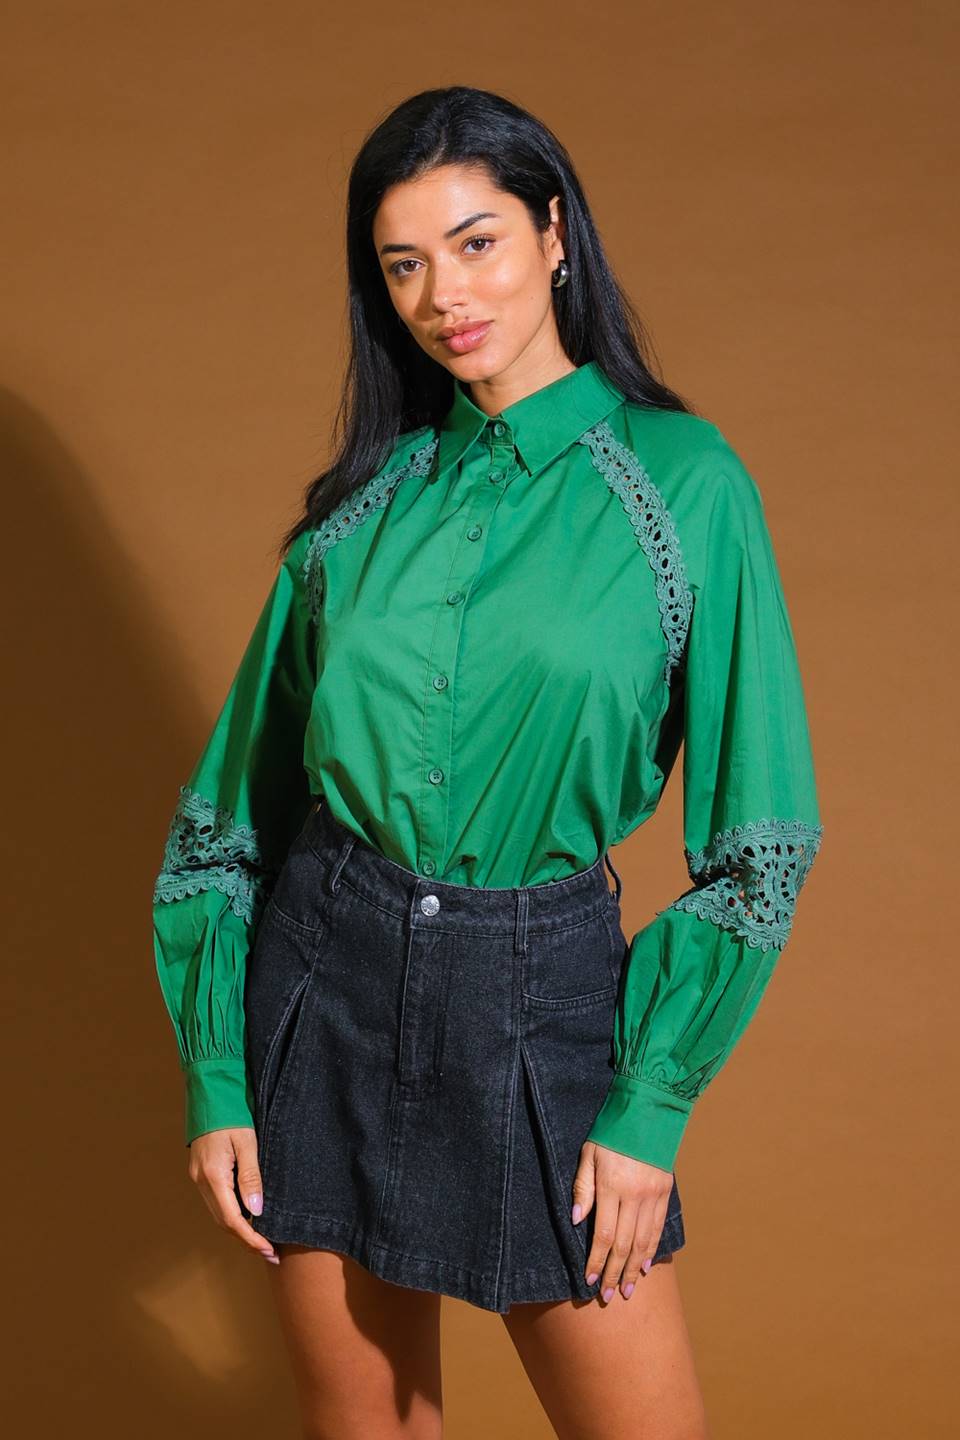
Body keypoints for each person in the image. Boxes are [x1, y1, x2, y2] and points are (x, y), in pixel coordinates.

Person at [152, 85, 823, 1439]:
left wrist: (652, 1102)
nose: (443, 295)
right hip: (325, 993)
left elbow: (760, 845)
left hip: (542, 1004)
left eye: (476, 243)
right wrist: (218, 1076)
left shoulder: (684, 484)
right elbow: (225, 830)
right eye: (402, 264)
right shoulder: (358, 516)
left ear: (555, 232)